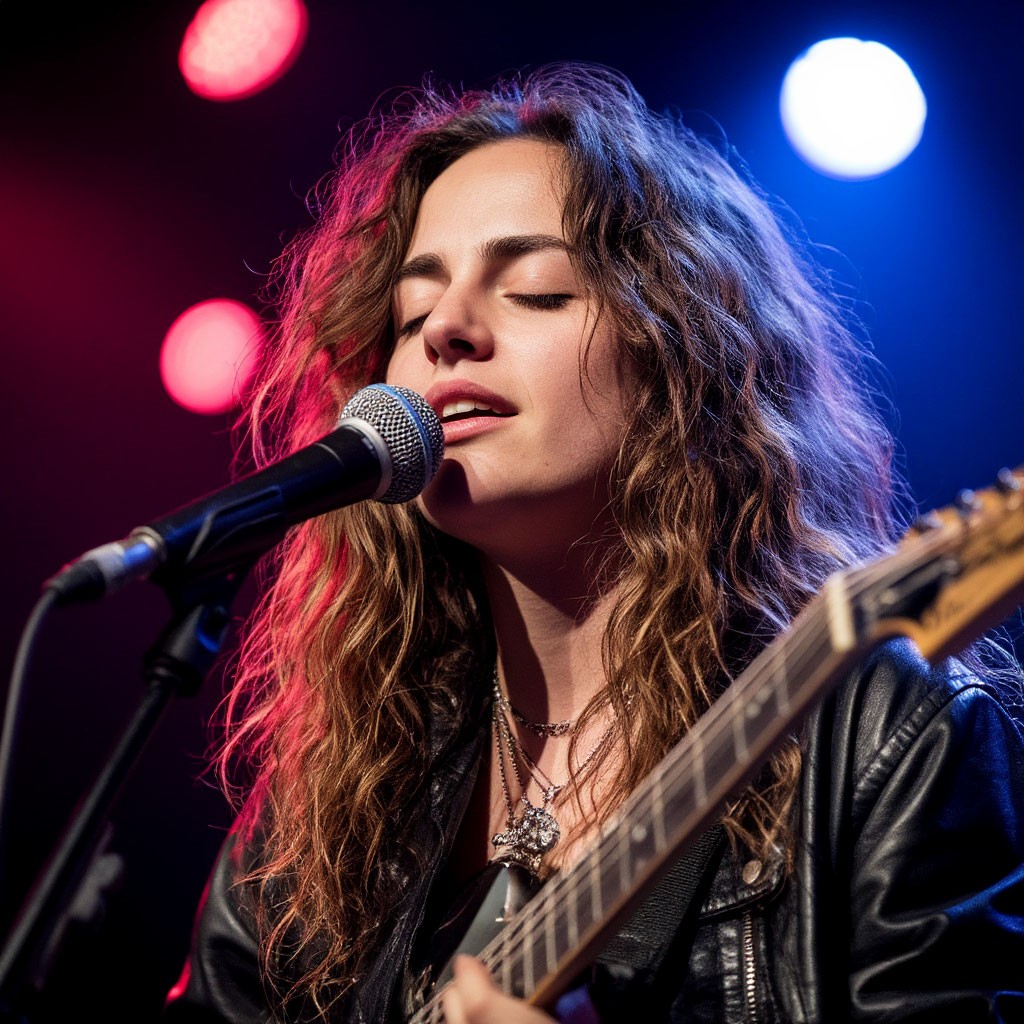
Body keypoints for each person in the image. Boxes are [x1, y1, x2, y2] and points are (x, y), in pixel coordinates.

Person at [163, 63, 1024, 1023]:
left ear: (682, 354)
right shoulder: (327, 807)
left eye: (534, 290)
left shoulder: (878, 735)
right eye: (412, 312)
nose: (446, 328)